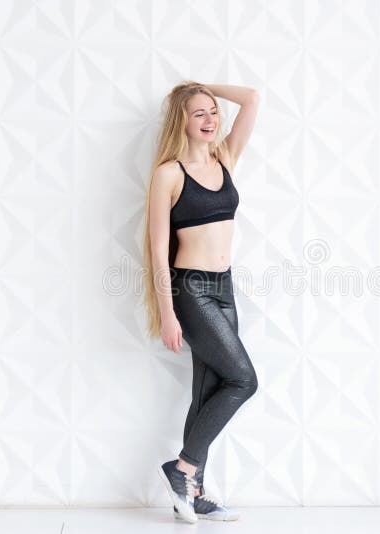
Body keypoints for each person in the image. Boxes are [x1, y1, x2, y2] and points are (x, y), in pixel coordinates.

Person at [141, 81, 259, 522]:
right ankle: (182, 468)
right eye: (199, 113)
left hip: (225, 288)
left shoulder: (223, 158)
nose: (211, 120)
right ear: (182, 121)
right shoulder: (168, 174)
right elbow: (156, 250)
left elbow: (251, 98)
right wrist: (168, 312)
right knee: (243, 381)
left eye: (213, 112)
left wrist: (202, 87)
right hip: (191, 291)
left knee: (208, 389)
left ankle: (193, 490)